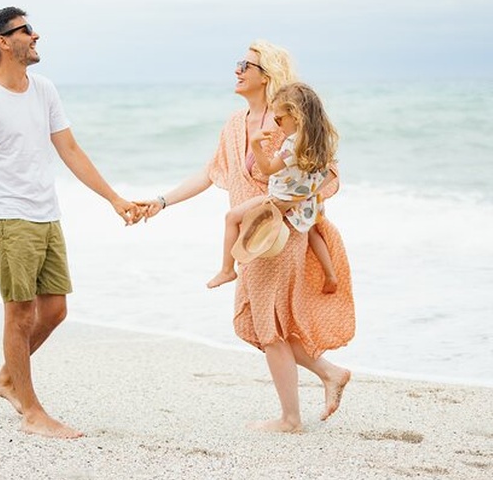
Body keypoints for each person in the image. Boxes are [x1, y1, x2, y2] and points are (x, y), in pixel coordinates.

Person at [141, 41, 355, 433]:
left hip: (278, 236)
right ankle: (329, 373)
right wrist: (161, 202)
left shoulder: (287, 120)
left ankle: (290, 419)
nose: (237, 70)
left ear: (267, 74)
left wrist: (289, 205)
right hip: (250, 236)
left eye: (246, 64)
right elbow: (209, 173)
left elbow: (326, 172)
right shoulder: (234, 123)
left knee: (269, 325)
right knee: (264, 324)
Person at [0, 6, 141, 438]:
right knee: (19, 315)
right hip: (9, 218)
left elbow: (70, 150)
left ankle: (6, 379)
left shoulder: (44, 89)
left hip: (47, 215)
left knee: (55, 310)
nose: (36, 35)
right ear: (4, 42)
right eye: (26, 30)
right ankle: (32, 412)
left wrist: (114, 198)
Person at [206, 82, 339, 295]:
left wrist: (256, 146)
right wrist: (304, 194)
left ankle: (227, 270)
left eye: (279, 119)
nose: (278, 125)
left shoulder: (291, 145)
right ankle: (330, 274)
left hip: (279, 199)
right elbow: (330, 174)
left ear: (296, 116)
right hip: (309, 202)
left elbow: (267, 169)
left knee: (232, 217)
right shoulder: (317, 141)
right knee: (313, 233)